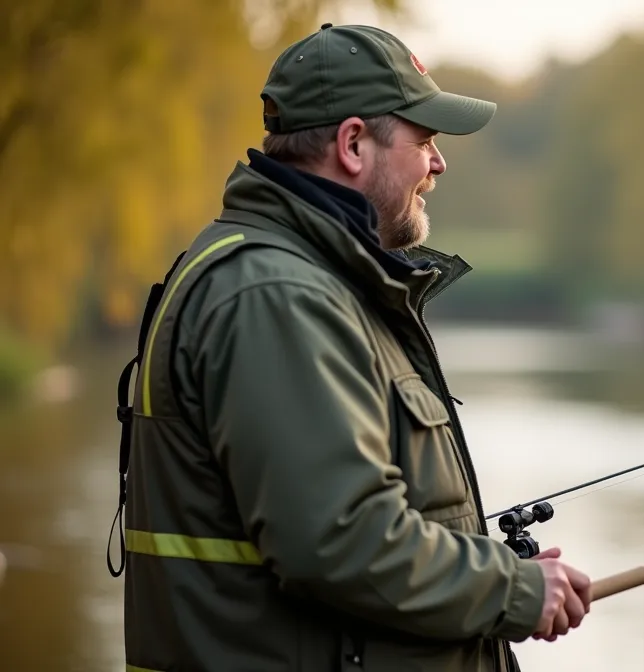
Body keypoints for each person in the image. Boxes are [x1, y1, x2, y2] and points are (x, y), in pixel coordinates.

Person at [107, 24, 590, 672]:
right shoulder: (276, 296)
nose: (438, 164)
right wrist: (513, 589)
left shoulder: (314, 283)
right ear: (354, 143)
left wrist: (489, 571)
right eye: (424, 140)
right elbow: (338, 539)